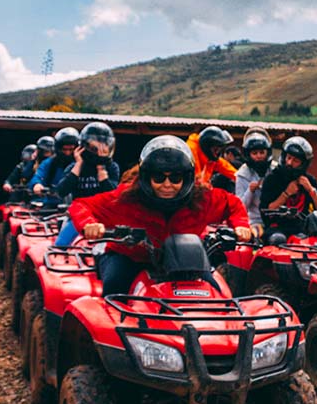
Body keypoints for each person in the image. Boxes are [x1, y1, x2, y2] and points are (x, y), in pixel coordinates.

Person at [69, 135, 251, 296]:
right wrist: (89, 224)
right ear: (147, 177)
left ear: (186, 178)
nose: (167, 184)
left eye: (175, 178)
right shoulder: (125, 199)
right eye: (158, 178)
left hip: (184, 261)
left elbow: (232, 203)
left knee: (215, 296)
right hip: (131, 257)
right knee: (115, 288)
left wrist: (241, 224)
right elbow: (81, 205)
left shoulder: (202, 198)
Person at [54, 122, 121, 246]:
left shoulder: (112, 167)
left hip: (104, 218)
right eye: (94, 147)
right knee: (59, 246)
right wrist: (78, 164)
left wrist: (101, 168)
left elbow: (113, 197)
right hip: (80, 217)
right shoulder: (74, 167)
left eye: (104, 146)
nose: (99, 151)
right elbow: (61, 191)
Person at [259, 136, 317, 239]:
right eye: (288, 158)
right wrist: (286, 194)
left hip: (300, 228)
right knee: (278, 239)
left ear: (303, 163)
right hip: (276, 228)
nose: (289, 163)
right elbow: (267, 210)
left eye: (295, 160)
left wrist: (310, 190)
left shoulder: (308, 180)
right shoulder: (272, 179)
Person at [235, 127, 274, 237]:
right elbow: (240, 207)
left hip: (275, 220)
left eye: (262, 152)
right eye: (255, 153)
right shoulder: (242, 174)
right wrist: (250, 191)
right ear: (248, 154)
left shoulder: (275, 169)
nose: (259, 156)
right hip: (254, 221)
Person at [30, 127, 80, 197]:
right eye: (64, 149)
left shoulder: (83, 164)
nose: (68, 153)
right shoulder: (49, 163)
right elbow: (38, 176)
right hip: (53, 202)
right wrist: (36, 184)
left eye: (71, 149)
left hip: (78, 203)